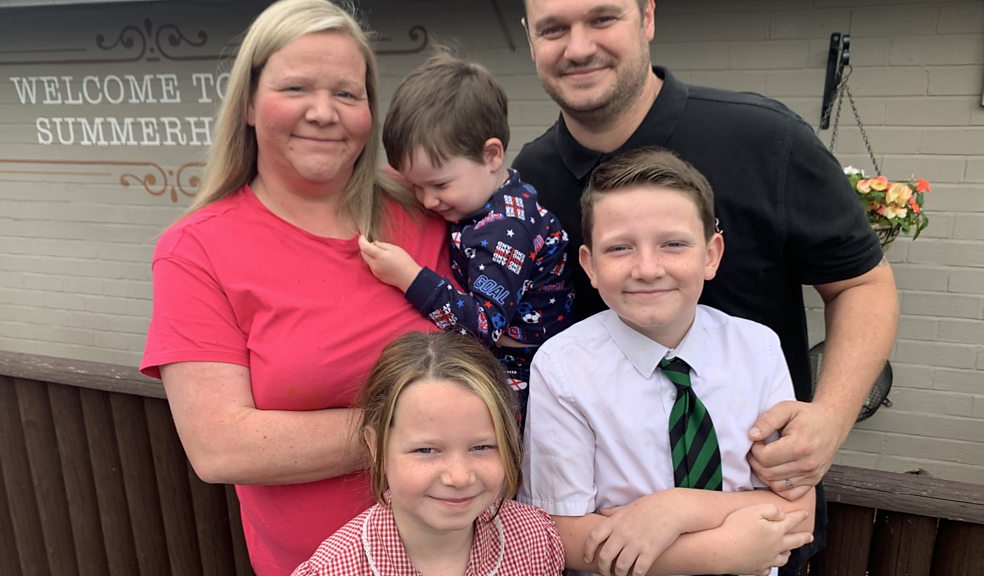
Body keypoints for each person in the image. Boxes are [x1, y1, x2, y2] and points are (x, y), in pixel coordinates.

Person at [514, 0, 899, 570]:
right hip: (614, 538)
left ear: (647, 17)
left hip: (762, 528)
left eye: (602, 18)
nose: (578, 47)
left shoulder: (765, 138)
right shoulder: (525, 187)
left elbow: (861, 284)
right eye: (553, 28)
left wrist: (830, 417)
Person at [138, 1, 453, 574]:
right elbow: (221, 446)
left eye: (347, 94)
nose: (323, 112)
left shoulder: (426, 206)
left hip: (475, 552)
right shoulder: (197, 249)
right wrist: (425, 430)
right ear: (249, 104)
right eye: (296, 88)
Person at [520, 148, 815, 576]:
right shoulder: (563, 367)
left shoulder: (759, 349)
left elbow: (797, 509)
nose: (647, 269)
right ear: (590, 265)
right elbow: (560, 534)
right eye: (619, 248)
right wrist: (721, 552)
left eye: (673, 244)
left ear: (711, 255)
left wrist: (677, 509)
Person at [358, 52, 574, 418]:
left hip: (526, 380)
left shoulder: (507, 231)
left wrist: (409, 277)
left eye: (440, 184)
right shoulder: (485, 200)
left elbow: (483, 327)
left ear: (492, 155)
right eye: (415, 186)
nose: (427, 200)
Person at [291, 331, 565, 575]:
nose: (459, 477)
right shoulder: (333, 569)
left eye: (481, 447)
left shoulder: (536, 540)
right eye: (426, 450)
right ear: (376, 446)